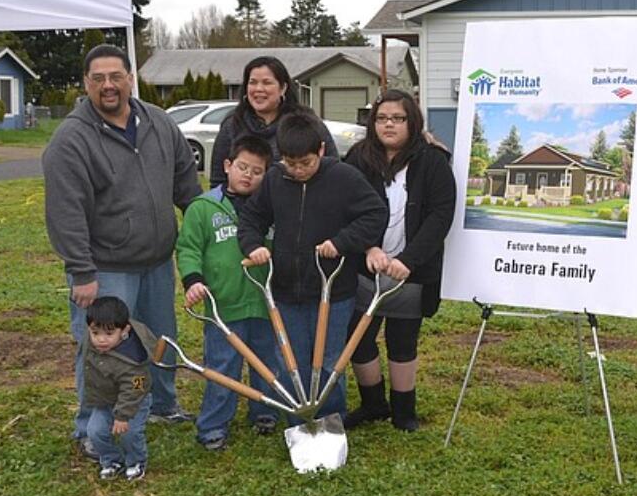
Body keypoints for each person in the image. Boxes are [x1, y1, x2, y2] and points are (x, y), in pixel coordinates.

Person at [44, 44, 202, 460]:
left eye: (116, 76)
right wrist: (82, 271)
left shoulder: (158, 123)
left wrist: (203, 226)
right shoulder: (72, 139)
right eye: (98, 79)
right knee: (102, 348)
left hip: (155, 261)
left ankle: (162, 406)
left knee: (160, 339)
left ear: (131, 78)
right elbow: (65, 212)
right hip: (106, 267)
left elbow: (186, 180)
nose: (108, 86)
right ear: (86, 84)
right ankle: (90, 429)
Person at [238, 108, 386, 427]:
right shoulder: (276, 179)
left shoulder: (343, 177)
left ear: (320, 150)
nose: (299, 170)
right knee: (291, 362)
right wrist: (254, 246)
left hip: (333, 291)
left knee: (329, 361)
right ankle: (298, 422)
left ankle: (331, 421)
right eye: (291, 164)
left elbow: (374, 214)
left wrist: (342, 242)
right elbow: (251, 217)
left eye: (305, 163)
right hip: (286, 291)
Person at [341, 90, 456, 431]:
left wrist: (409, 259)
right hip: (366, 268)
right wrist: (367, 249)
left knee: (402, 340)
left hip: (412, 271)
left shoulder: (432, 161)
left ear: (413, 122)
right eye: (381, 118)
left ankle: (405, 411)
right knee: (358, 337)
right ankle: (373, 404)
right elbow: (343, 208)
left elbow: (440, 215)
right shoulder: (358, 159)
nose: (389, 124)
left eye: (398, 118)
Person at [176, 135, 283, 451]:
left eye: (257, 171)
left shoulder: (272, 210)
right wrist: (193, 280)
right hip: (224, 308)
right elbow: (188, 249)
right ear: (227, 165)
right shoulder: (204, 208)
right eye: (242, 167)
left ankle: (265, 411)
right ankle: (212, 425)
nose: (248, 175)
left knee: (268, 364)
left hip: (264, 305)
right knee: (223, 368)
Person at [209, 56, 340, 187]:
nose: (258, 89)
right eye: (253, 82)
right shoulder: (232, 124)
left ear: (283, 88)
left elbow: (333, 170)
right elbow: (218, 180)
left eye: (267, 83)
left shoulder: (306, 122)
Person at [81, 297, 156, 481]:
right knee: (95, 431)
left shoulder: (134, 362)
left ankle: (136, 461)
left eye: (109, 334)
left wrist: (123, 416)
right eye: (95, 332)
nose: (101, 339)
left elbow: (136, 390)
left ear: (125, 331)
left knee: (129, 433)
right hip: (105, 400)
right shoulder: (91, 342)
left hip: (133, 403)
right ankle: (111, 460)